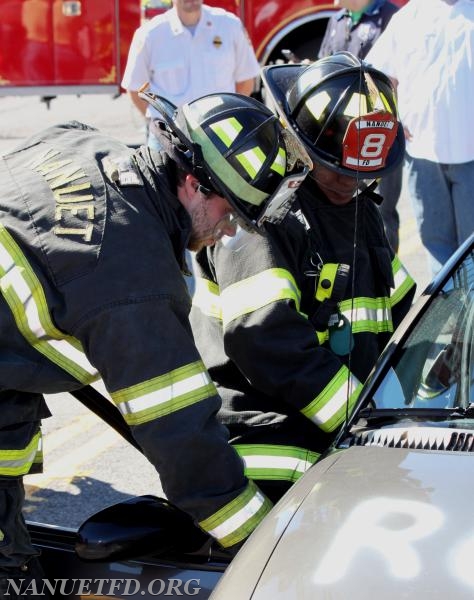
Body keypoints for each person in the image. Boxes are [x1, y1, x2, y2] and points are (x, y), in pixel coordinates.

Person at [0, 91, 311, 594]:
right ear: (192, 183)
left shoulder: (81, 143)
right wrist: (267, 548)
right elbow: (183, 437)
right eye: (230, 212)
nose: (229, 230)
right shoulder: (135, 282)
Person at [189, 52, 416, 503]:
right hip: (269, 446)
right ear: (299, 142)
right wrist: (361, 415)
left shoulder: (357, 207)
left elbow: (402, 310)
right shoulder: (264, 215)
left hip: (344, 439)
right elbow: (265, 340)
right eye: (338, 170)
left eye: (364, 173)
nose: (352, 182)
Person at [365, 0, 474, 276]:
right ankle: (449, 317)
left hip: (470, 154)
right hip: (422, 153)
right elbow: (376, 75)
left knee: (470, 249)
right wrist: (390, 114)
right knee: (438, 248)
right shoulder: (409, 17)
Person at [318, 0, 402, 252]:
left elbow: (398, 75)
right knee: (344, 208)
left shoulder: (389, 17)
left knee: (380, 210)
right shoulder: (339, 19)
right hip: (341, 133)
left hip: (378, 133)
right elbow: (325, 64)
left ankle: (386, 275)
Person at [121, 0, 260, 149]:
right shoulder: (150, 34)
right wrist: (161, 121)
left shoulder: (229, 26)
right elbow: (136, 88)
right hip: (169, 136)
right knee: (157, 171)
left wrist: (227, 119)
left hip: (221, 133)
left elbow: (245, 80)